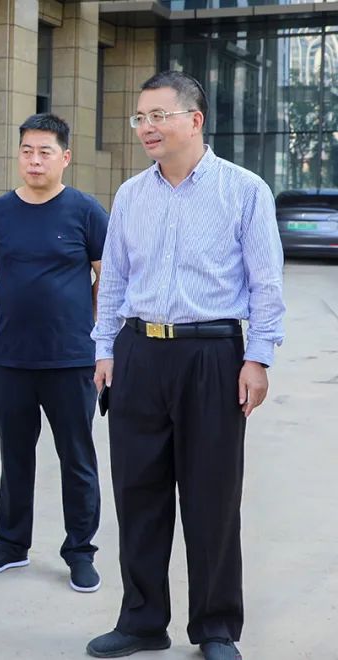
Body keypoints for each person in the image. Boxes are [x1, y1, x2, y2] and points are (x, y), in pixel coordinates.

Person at [86, 71, 284, 660]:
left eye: (157, 116)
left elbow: (265, 284)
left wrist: (258, 358)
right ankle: (143, 620)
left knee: (212, 496)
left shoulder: (244, 191)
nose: (146, 127)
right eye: (139, 117)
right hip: (140, 353)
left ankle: (216, 626)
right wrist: (104, 348)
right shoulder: (130, 195)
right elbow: (114, 280)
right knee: (138, 492)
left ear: (194, 120)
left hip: (213, 356)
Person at [0, 113, 108, 593]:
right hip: (11, 359)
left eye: (45, 151)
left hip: (71, 359)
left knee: (77, 458)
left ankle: (80, 552)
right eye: (27, 150)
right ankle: (11, 544)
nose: (34, 159)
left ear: (64, 157)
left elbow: (105, 275)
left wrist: (86, 321)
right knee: (15, 455)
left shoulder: (85, 211)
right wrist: (7, 308)